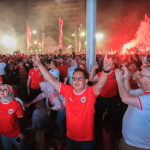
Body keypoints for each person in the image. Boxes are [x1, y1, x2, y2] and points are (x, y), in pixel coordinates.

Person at [32, 51, 112, 150]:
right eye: (74, 78)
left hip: (86, 139)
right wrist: (39, 64)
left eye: (80, 79)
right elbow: (51, 80)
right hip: (70, 137)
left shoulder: (90, 93)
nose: (76, 81)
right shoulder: (68, 90)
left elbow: (100, 84)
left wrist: (105, 71)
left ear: (86, 81)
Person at [115, 64, 150, 150]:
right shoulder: (142, 91)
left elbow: (125, 98)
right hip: (127, 140)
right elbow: (128, 92)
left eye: (141, 75)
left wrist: (119, 80)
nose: (138, 77)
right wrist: (126, 79)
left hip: (138, 146)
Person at [0, 84, 28, 150]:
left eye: (5, 90)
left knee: (21, 147)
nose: (2, 91)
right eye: (0, 90)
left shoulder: (16, 104)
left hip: (16, 135)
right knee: (8, 148)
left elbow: (21, 120)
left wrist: (21, 133)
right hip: (4, 135)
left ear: (10, 91)